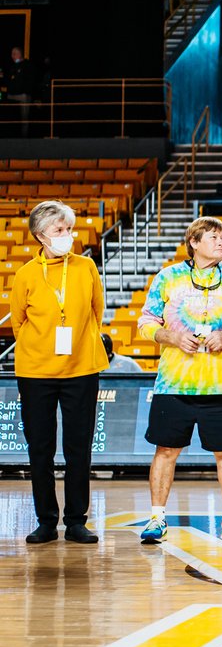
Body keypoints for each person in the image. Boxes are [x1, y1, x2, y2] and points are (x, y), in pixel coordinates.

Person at [137, 217, 222, 544]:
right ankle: (156, 518)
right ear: (193, 242)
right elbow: (146, 322)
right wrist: (172, 337)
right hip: (173, 384)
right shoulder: (168, 277)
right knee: (165, 451)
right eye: (214, 236)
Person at [10, 201, 108, 544]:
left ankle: (76, 520)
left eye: (68, 228)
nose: (68, 235)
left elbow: (97, 311)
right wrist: (41, 349)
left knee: (79, 448)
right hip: (36, 373)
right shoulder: (24, 274)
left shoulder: (86, 267)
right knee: (41, 448)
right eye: (59, 230)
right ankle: (46, 520)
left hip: (81, 370)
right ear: (41, 236)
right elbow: (19, 321)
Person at [4, 47, 35, 136]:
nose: (12, 56)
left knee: (24, 119)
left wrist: (25, 91)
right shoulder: (12, 66)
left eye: (14, 54)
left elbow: (30, 81)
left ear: (20, 54)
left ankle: (24, 138)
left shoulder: (27, 65)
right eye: (11, 54)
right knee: (12, 118)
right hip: (11, 96)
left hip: (23, 96)